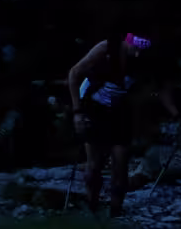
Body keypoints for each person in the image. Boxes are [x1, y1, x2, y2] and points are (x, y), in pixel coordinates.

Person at [62, 30, 157, 210]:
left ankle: (116, 213)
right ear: (128, 42)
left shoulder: (143, 59)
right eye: (135, 48)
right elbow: (74, 74)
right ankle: (92, 206)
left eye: (141, 50)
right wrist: (77, 112)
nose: (137, 54)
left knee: (121, 165)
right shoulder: (106, 48)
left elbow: (153, 88)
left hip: (119, 111)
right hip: (94, 107)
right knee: (95, 164)